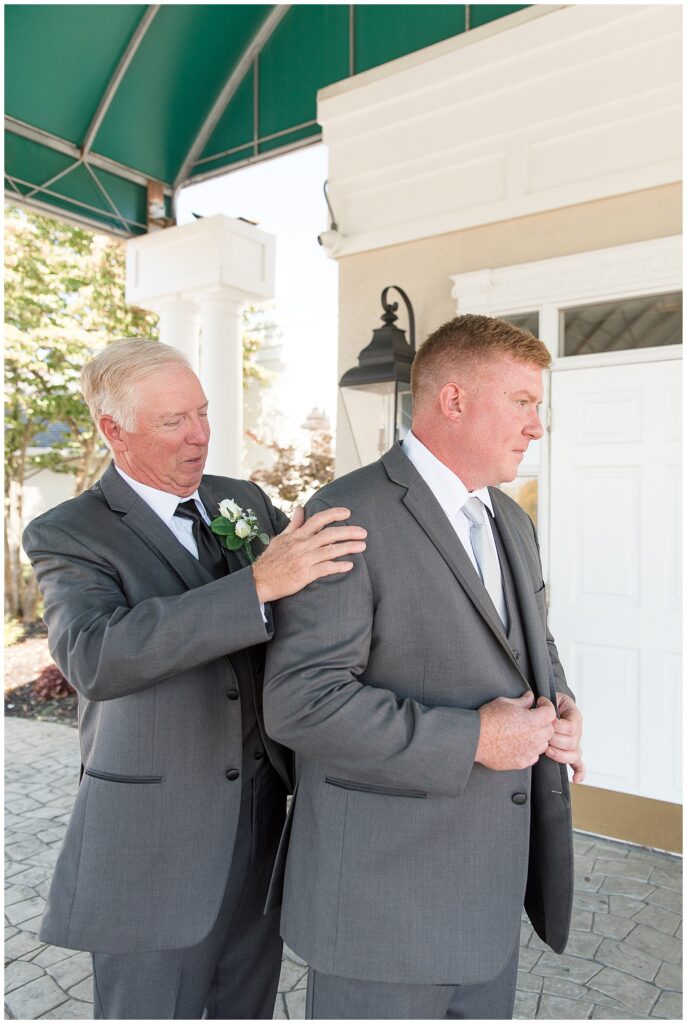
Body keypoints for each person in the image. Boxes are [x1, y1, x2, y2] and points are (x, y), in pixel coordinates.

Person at [21, 338, 367, 1020]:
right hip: (151, 842)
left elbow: (305, 617)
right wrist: (257, 584)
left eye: (203, 413)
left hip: (262, 823)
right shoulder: (69, 532)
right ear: (113, 430)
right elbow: (95, 655)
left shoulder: (241, 500)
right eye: (174, 421)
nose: (200, 436)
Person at [263, 314, 584, 1020]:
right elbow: (301, 702)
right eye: (523, 403)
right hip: (383, 907)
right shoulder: (345, 512)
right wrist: (473, 740)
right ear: (454, 401)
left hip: (488, 899)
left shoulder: (511, 519)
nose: (538, 426)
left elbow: (532, 642)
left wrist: (558, 705)